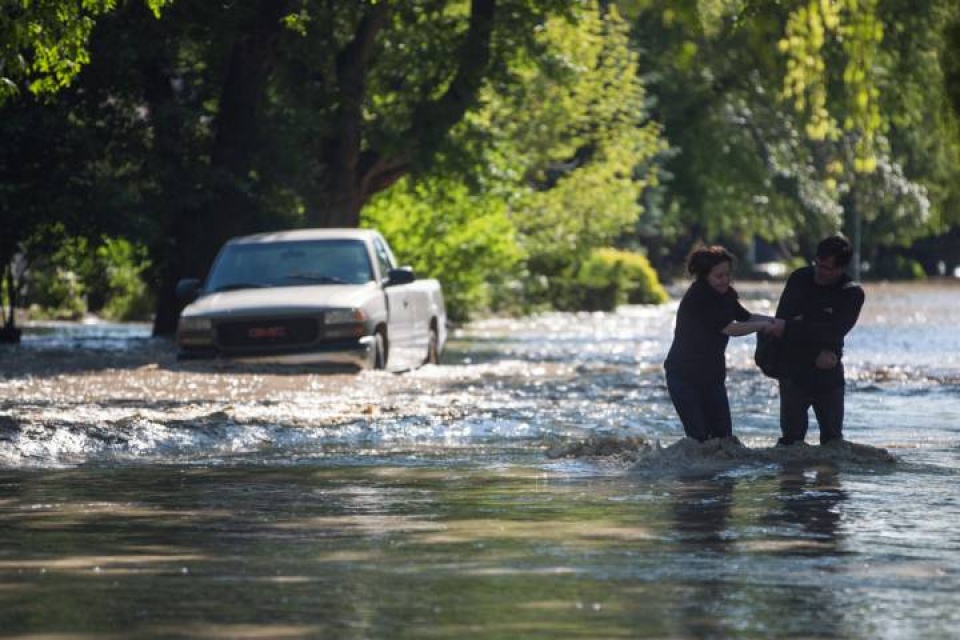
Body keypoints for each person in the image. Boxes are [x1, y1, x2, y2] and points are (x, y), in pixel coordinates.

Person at [664, 245, 777, 442]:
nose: (725, 280)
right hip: (683, 377)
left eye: (728, 275)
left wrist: (777, 322)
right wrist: (763, 326)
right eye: (719, 276)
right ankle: (694, 473)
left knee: (724, 439)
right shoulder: (699, 296)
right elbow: (730, 329)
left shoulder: (726, 294)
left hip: (712, 376)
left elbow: (746, 318)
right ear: (704, 276)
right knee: (699, 439)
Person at [767, 234, 865, 446]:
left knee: (833, 443)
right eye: (817, 264)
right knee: (791, 443)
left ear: (841, 269)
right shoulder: (799, 278)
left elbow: (832, 332)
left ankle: (829, 480)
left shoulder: (852, 294)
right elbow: (781, 325)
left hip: (829, 373)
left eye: (826, 268)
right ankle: (790, 479)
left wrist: (798, 324)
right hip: (795, 370)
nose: (819, 271)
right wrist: (812, 349)